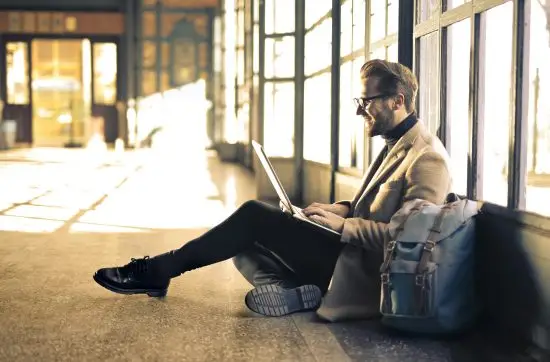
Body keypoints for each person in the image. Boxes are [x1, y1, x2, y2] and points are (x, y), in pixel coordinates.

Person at [93, 59, 451, 321]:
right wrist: (340, 209)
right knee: (239, 246)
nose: (361, 112)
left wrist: (342, 227)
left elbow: (410, 242)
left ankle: (159, 270)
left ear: (397, 100)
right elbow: (375, 206)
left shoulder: (427, 158)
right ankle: (293, 292)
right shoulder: (396, 143)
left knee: (253, 216)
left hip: (360, 273)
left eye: (367, 102)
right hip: (344, 253)